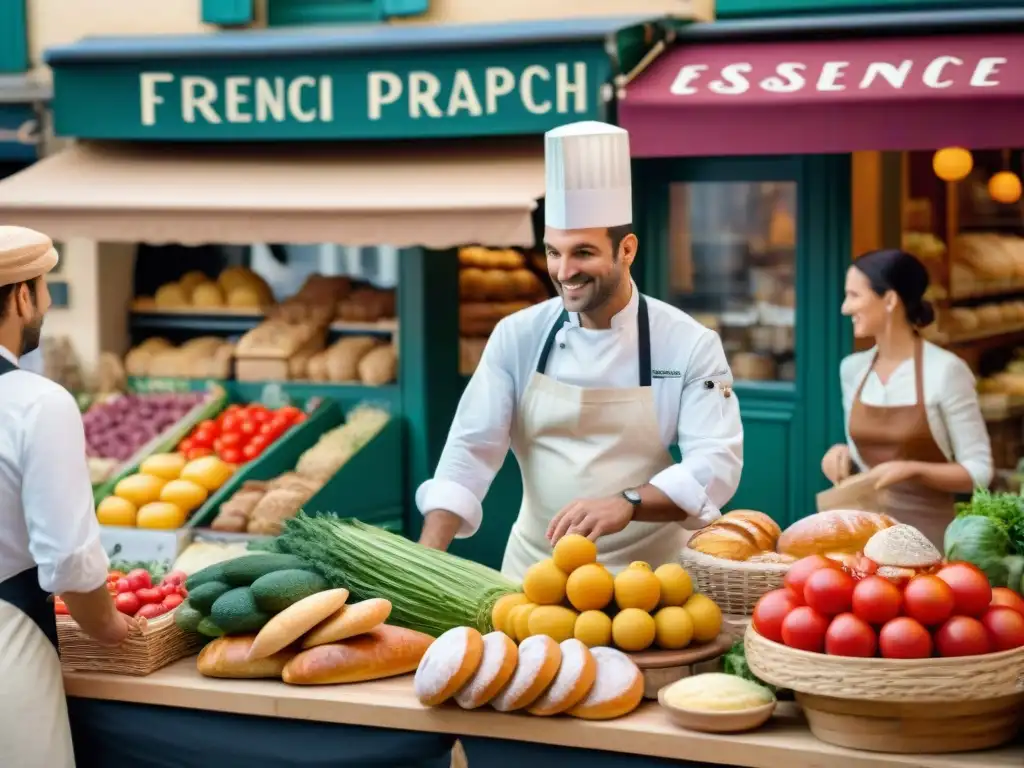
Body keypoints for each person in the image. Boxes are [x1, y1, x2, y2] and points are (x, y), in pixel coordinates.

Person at [416, 122, 744, 579]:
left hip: (651, 585)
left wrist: (627, 503)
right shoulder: (517, 335)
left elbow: (716, 462)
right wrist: (424, 561)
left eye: (583, 253)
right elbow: (470, 449)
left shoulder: (688, 343)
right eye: (554, 252)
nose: (564, 271)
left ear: (626, 250)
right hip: (534, 578)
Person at [0, 226, 134, 767]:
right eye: (44, 287)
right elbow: (72, 563)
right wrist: (115, 629)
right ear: (22, 295)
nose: (49, 303)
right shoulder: (36, 403)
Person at [822, 248, 993, 547]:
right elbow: (864, 463)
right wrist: (842, 456)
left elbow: (979, 472)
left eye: (854, 295)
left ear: (889, 300)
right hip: (864, 537)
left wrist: (913, 470)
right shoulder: (853, 370)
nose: (845, 308)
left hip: (929, 541)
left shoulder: (946, 371)